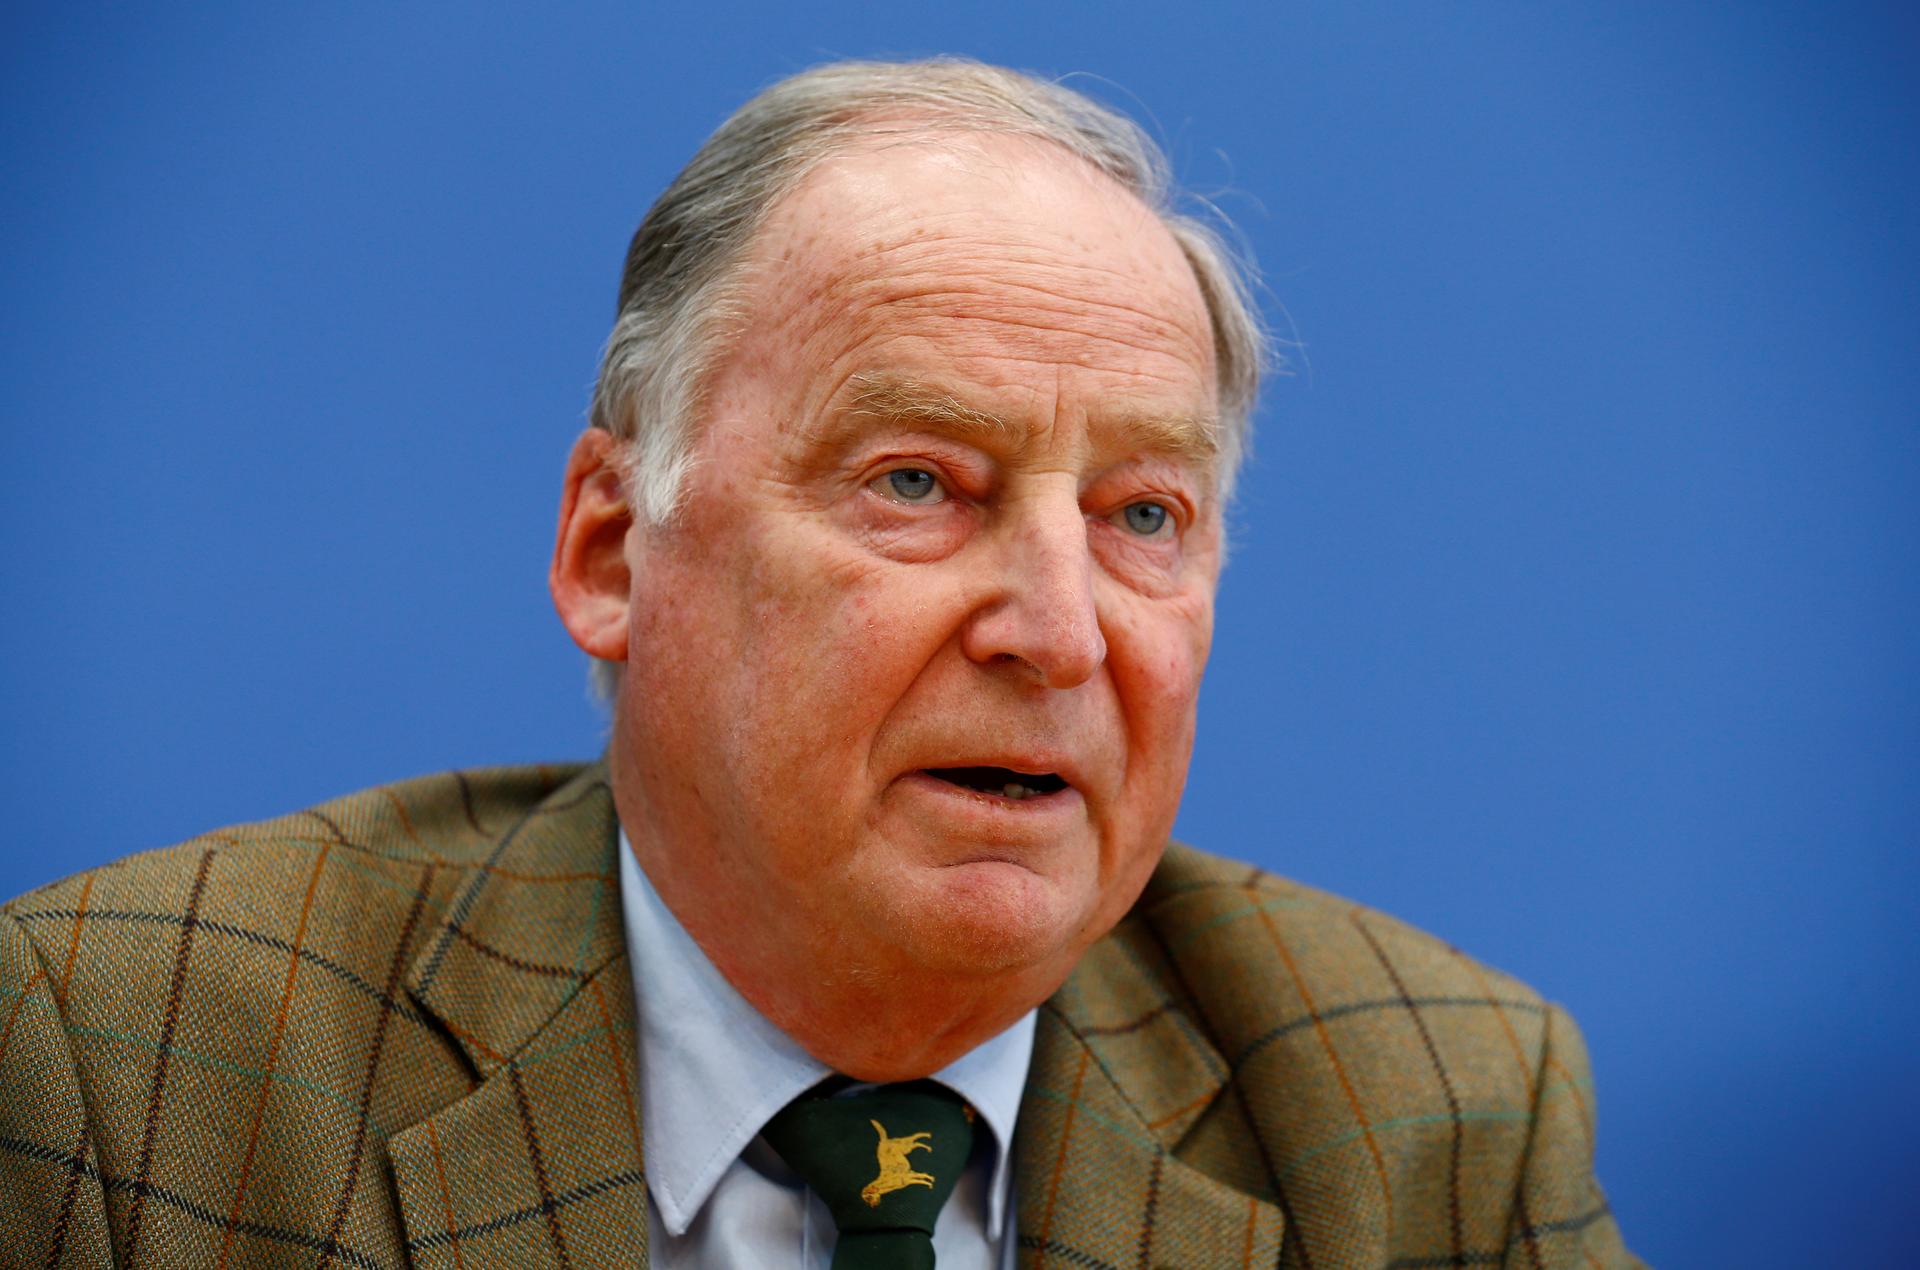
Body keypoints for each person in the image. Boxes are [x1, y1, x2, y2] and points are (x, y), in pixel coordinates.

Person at [0, 58, 1638, 1268]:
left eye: (1145, 513)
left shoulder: (1439, 1121)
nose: (1061, 629)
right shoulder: (118, 1070)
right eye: (917, 481)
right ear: (611, 549)